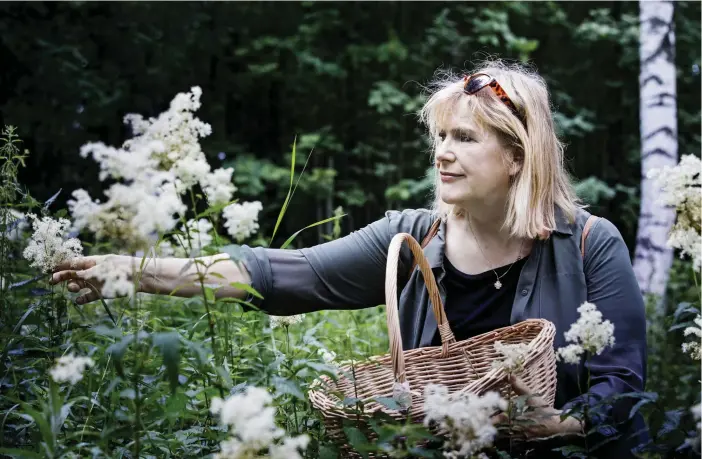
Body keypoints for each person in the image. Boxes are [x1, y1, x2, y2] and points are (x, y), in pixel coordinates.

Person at [51, 59, 647, 457]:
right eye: (439, 137)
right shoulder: (412, 237)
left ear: (517, 157)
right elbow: (290, 275)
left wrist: (559, 426)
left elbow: (622, 386)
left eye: (464, 139)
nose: (442, 154)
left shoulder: (592, 243)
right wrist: (133, 272)